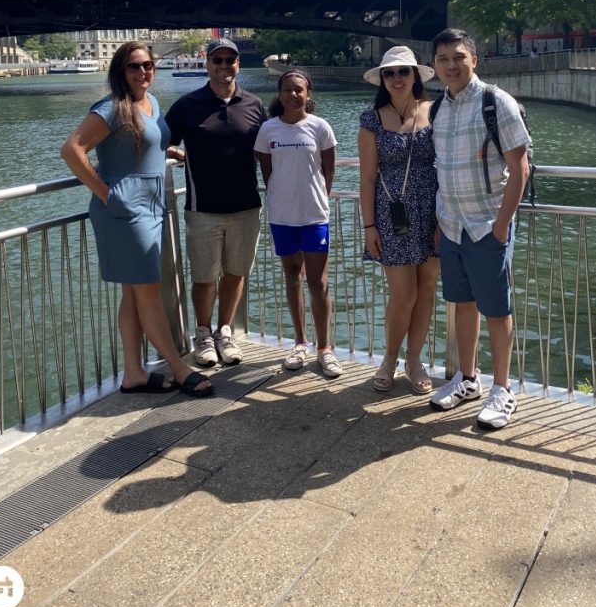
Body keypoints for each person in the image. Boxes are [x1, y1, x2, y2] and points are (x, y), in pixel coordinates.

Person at [60, 41, 213, 398]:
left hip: (151, 206)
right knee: (149, 293)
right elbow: (72, 150)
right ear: (120, 71)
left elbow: (141, 139)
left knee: (133, 293)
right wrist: (106, 193)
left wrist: (167, 150)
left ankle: (133, 374)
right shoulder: (112, 107)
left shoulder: (151, 102)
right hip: (125, 211)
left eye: (148, 65)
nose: (143, 71)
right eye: (134, 66)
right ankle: (179, 368)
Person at [429, 28, 530, 429]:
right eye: (443, 59)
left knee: (497, 310)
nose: (451, 65)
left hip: (487, 225)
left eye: (458, 57)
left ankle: (502, 389)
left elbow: (520, 168)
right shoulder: (438, 108)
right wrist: (440, 221)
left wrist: (501, 227)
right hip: (452, 226)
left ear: (474, 59)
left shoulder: (495, 102)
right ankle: (468, 378)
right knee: (463, 304)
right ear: (434, 66)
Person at [165, 38, 266, 368]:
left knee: (236, 273)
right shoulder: (187, 105)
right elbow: (159, 140)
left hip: (246, 206)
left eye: (229, 60)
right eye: (217, 60)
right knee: (204, 276)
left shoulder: (254, 105)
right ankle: (203, 333)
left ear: (238, 64)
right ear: (207, 64)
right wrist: (176, 152)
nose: (224, 66)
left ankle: (225, 331)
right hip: (203, 208)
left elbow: (270, 145)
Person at [358, 46, 440, 395]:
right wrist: (369, 226)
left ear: (415, 75)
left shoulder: (436, 111)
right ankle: (390, 358)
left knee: (427, 290)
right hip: (393, 215)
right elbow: (367, 179)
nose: (396, 78)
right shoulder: (372, 119)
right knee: (403, 295)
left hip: (433, 213)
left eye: (403, 71)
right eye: (389, 73)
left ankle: (414, 360)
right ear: (382, 79)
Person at [254, 71, 342, 377]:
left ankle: (324, 348)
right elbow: (267, 171)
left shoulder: (320, 127)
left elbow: (329, 170)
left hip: (314, 215)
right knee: (292, 277)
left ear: (308, 94)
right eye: (287, 90)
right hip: (282, 215)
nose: (293, 95)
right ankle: (301, 343)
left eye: (299, 90)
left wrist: (317, 197)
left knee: (318, 282)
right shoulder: (268, 129)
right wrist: (283, 194)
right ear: (279, 94)